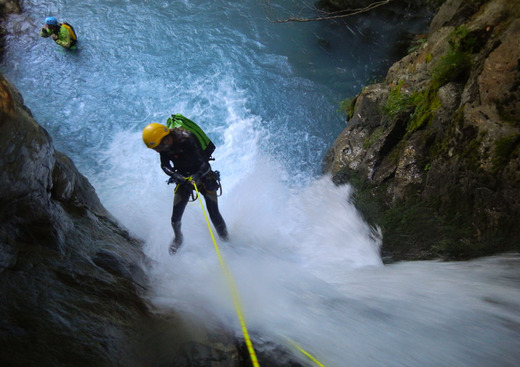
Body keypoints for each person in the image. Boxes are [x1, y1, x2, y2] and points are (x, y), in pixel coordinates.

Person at [142, 121, 229, 254]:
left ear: (165, 139)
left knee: (214, 214)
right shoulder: (164, 146)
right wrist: (177, 176)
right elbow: (164, 165)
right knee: (175, 219)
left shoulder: (187, 138)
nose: (157, 151)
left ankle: (226, 241)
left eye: (157, 148)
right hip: (183, 180)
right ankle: (178, 238)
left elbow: (205, 165)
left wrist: (196, 177)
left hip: (204, 178)